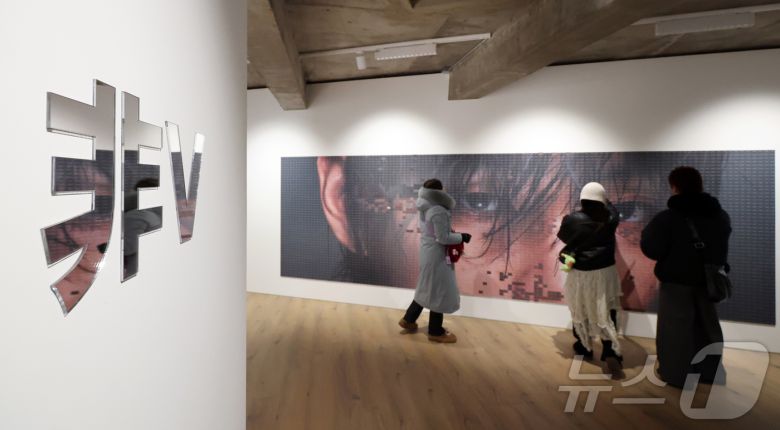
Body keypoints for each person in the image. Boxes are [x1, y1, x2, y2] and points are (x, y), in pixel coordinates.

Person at [641, 166, 731, 388]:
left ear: (675, 187)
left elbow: (652, 249)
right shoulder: (720, 216)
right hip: (708, 281)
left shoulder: (668, 218)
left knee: (675, 332)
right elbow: (721, 249)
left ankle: (676, 374)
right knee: (707, 328)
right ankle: (709, 372)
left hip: (676, 283)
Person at [557, 182, 623, 372]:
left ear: (582, 199)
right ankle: (610, 351)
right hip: (605, 271)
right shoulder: (611, 218)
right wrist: (605, 201)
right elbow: (612, 208)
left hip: (580, 271)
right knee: (607, 308)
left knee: (580, 307)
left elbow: (564, 237)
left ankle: (584, 346)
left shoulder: (572, 220)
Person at [398, 179, 472, 343]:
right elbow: (443, 238)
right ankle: (435, 331)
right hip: (438, 255)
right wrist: (462, 237)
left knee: (426, 287)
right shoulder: (438, 210)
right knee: (439, 290)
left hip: (428, 252)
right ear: (439, 191)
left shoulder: (424, 205)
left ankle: (409, 319)